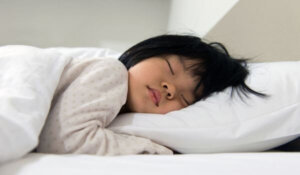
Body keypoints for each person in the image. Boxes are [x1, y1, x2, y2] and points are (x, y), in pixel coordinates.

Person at [36, 34, 265, 155]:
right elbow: (62, 140)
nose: (171, 89)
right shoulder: (112, 72)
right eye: (170, 69)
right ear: (143, 53)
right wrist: (154, 149)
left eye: (185, 98)